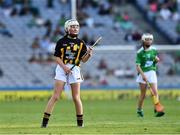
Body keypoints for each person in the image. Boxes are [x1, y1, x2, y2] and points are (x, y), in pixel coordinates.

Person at [41, 19, 93, 128]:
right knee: (55, 96)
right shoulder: (61, 41)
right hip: (61, 68)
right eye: (72, 26)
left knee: (76, 97)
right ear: (67, 28)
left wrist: (89, 54)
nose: (75, 28)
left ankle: (80, 124)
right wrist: (64, 68)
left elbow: (83, 60)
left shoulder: (81, 43)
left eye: (77, 26)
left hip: (75, 70)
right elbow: (56, 57)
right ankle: (44, 123)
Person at [136, 33, 165, 117]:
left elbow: (155, 60)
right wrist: (143, 76)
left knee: (155, 92)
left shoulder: (154, 50)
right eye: (147, 39)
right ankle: (139, 110)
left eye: (150, 39)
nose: (149, 41)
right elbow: (138, 66)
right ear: (143, 40)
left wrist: (156, 61)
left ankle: (157, 109)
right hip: (142, 73)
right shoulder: (140, 52)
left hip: (152, 72)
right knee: (143, 94)